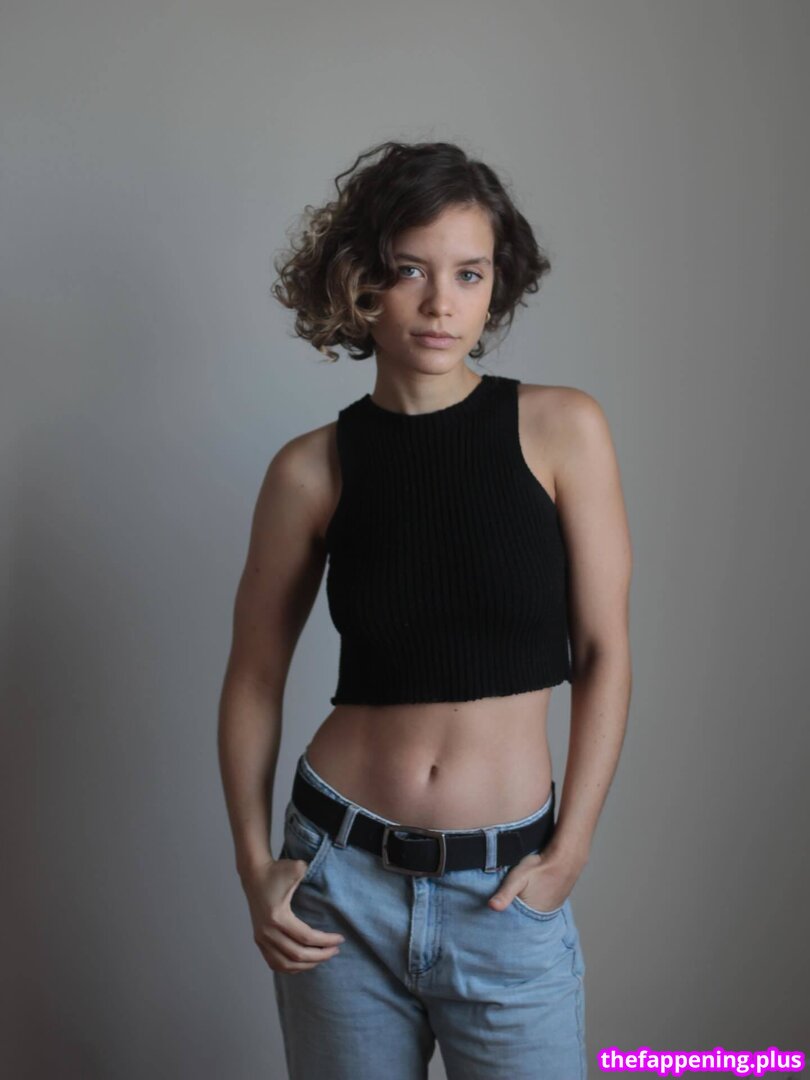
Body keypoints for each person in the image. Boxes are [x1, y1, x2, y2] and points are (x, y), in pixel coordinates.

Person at [218, 139, 633, 1080]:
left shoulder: (563, 431)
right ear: (359, 282)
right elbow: (252, 677)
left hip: (505, 891)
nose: (442, 302)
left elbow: (605, 650)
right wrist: (253, 866)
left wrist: (571, 848)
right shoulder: (310, 470)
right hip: (338, 887)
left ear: (496, 286)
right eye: (411, 270)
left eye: (469, 273)